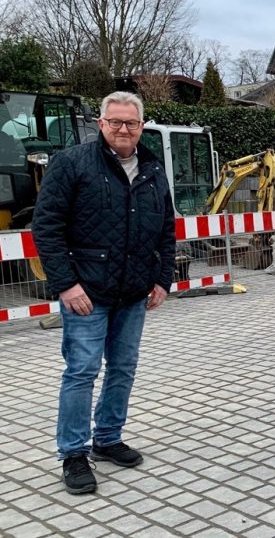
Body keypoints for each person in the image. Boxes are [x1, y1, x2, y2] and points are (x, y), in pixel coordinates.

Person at [32, 91, 176, 495]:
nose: (123, 129)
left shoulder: (152, 169)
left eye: (131, 123)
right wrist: (65, 284)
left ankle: (108, 437)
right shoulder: (72, 164)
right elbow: (46, 229)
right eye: (115, 122)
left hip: (133, 292)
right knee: (81, 371)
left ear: (141, 126)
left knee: (123, 368)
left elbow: (166, 229)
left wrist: (162, 278)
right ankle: (73, 454)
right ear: (101, 124)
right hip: (86, 292)